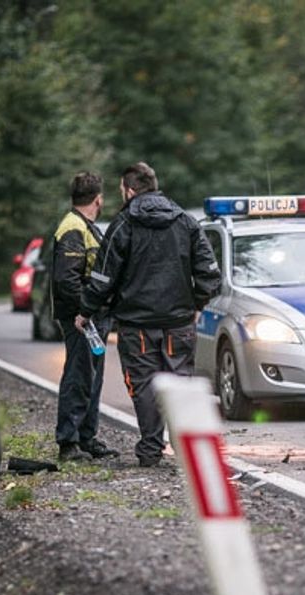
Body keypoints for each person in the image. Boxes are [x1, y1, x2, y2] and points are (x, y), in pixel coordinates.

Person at [76, 162, 220, 466]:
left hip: (136, 325)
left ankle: (151, 450)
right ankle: (187, 450)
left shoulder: (123, 223)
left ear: (129, 190)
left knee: (143, 386)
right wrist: (197, 305)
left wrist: (86, 310)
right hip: (179, 322)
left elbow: (103, 276)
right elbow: (209, 272)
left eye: (120, 190)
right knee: (180, 382)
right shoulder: (185, 221)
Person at [51, 171, 118, 462]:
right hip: (81, 319)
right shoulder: (73, 228)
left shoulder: (84, 226)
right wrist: (85, 311)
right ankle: (69, 442)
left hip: (91, 316)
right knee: (79, 377)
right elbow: (67, 280)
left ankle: (86, 438)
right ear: (98, 199)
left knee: (92, 378)